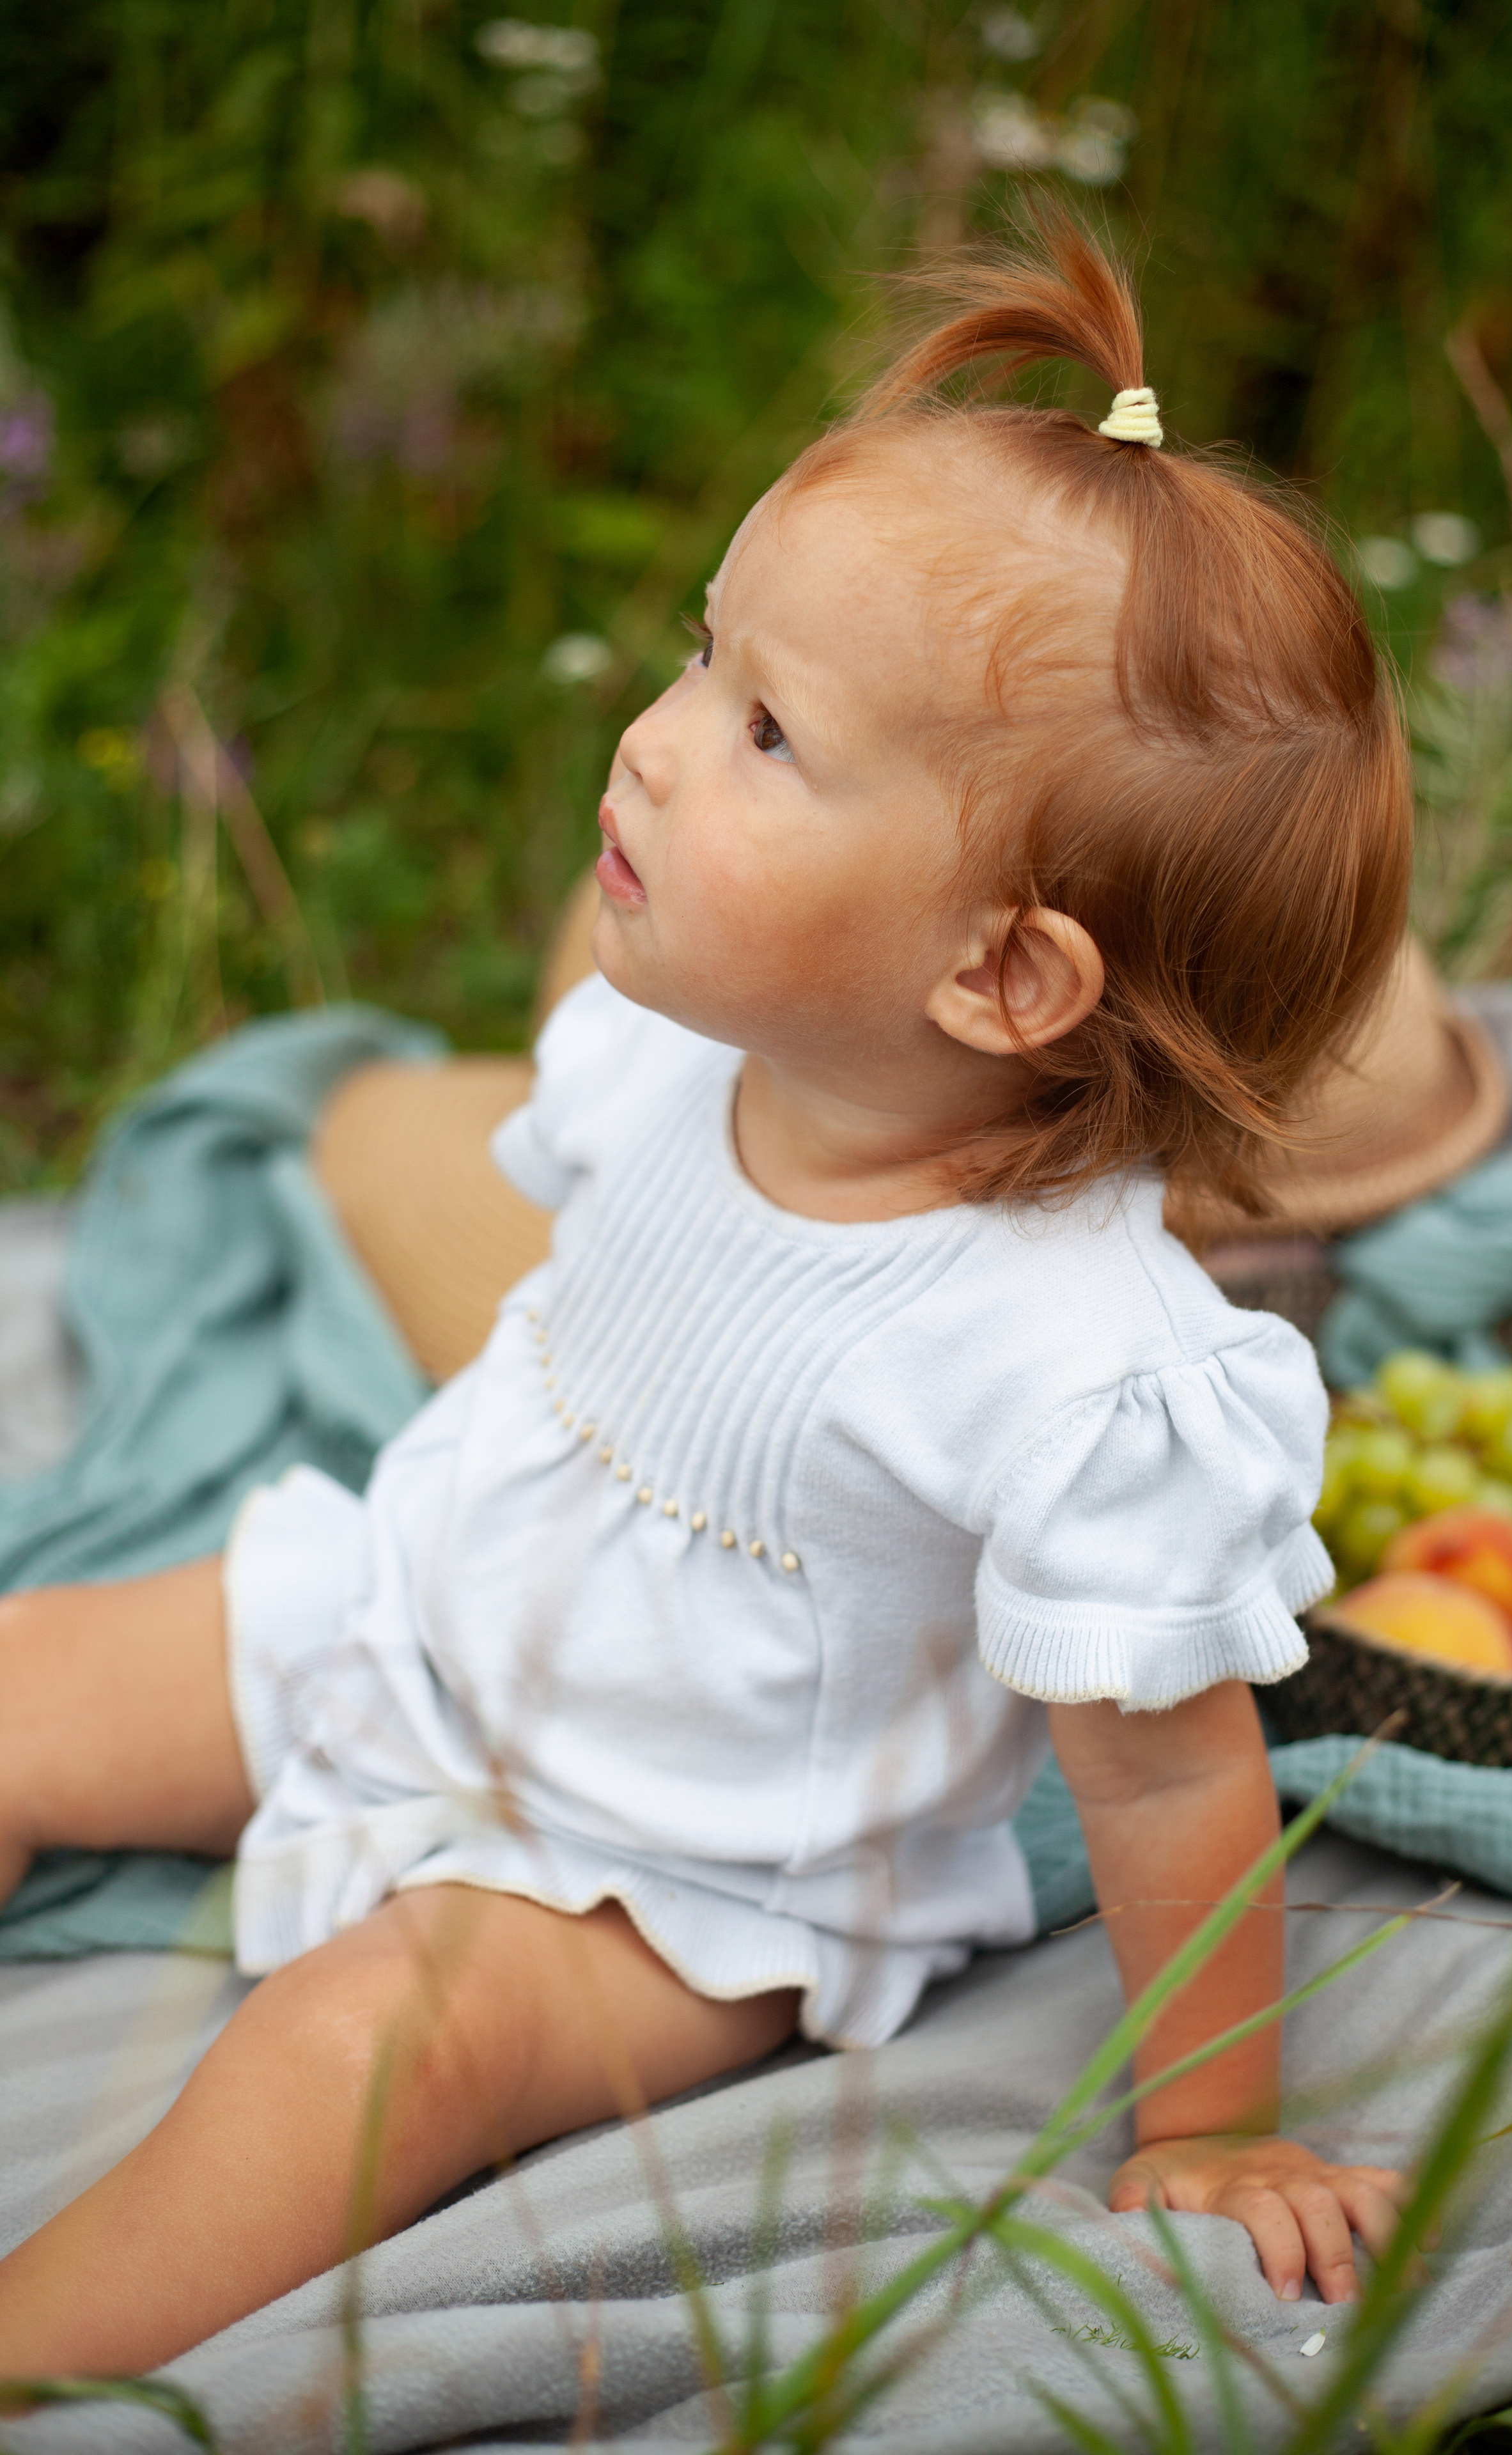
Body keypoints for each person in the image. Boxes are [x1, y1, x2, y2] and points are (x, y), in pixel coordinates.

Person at [0, 207, 1418, 2380]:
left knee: (374, 2035)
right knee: (21, 1682)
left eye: (768, 734)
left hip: (681, 1880)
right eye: (701, 655)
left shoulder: (1063, 1363)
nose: (657, 740)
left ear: (1003, 973)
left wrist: (1221, 2130)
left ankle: (33, 2350)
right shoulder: (680, 1050)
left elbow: (1163, 1784)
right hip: (410, 1614)